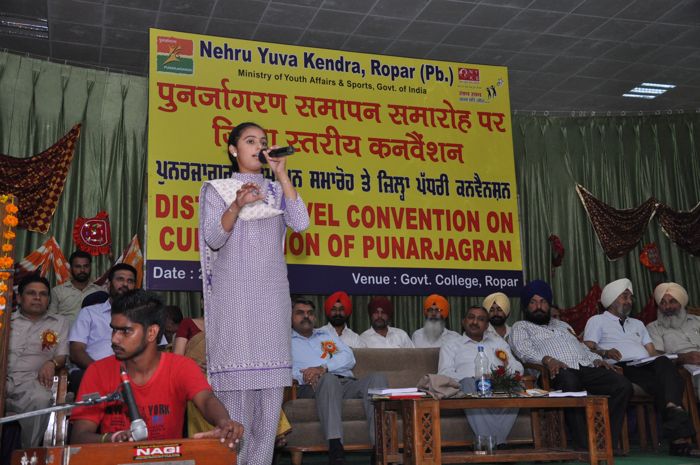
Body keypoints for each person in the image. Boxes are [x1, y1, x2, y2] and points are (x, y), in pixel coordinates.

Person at [198, 121, 309, 465]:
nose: (259, 147)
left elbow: (301, 223)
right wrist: (237, 205)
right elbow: (214, 238)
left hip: (271, 302)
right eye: (250, 141)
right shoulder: (217, 190)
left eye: (263, 141)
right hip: (234, 302)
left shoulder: (276, 191)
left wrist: (282, 175)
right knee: (236, 410)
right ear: (233, 150)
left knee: (268, 409)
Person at [69, 290, 243, 449]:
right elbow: (79, 436)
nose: (114, 339)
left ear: (152, 332)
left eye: (125, 331)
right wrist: (112, 438)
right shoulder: (97, 371)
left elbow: (206, 399)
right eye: (114, 330)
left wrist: (224, 422)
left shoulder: (181, 367)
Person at [509, 280, 632, 450]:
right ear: (526, 306)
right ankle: (585, 444)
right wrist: (548, 360)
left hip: (584, 367)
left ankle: (604, 439)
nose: (539, 306)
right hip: (554, 372)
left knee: (622, 385)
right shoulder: (521, 327)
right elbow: (523, 351)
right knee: (570, 382)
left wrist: (596, 359)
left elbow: (580, 346)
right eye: (533, 302)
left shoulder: (563, 325)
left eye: (543, 302)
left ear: (548, 304)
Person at [584, 278, 696, 456]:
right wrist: (605, 352)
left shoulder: (637, 324)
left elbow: (652, 352)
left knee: (664, 364)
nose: (629, 301)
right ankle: (678, 439)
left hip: (644, 365)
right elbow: (587, 348)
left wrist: (669, 360)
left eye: (631, 298)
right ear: (611, 300)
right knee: (665, 384)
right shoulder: (597, 320)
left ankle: (671, 406)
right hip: (620, 367)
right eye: (624, 297)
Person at [291, 298, 387, 465]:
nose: (306, 316)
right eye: (300, 313)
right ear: (291, 317)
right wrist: (305, 376)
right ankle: (336, 449)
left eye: (310, 313)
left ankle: (380, 449)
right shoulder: (285, 341)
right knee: (328, 380)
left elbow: (349, 357)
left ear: (315, 317)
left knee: (377, 378)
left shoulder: (325, 335)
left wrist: (323, 368)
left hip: (345, 382)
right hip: (311, 386)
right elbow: (282, 369)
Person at [438, 305, 522, 447]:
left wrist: (500, 376)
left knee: (517, 386)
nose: (475, 322)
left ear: (487, 325)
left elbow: (518, 368)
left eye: (481, 319)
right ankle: (498, 443)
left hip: (497, 386)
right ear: (463, 321)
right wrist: (472, 378)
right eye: (471, 317)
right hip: (470, 387)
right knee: (468, 383)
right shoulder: (451, 344)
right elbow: (444, 372)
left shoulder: (498, 343)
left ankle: (489, 443)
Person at [6, 275, 69, 448]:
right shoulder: (5, 319)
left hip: (32, 381)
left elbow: (62, 356)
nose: (37, 298)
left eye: (43, 294)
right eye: (31, 293)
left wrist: (52, 363)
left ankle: (29, 453)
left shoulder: (59, 322)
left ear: (48, 300)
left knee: (41, 399)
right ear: (19, 298)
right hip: (4, 378)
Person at [69, 264, 137, 375]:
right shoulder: (89, 313)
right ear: (109, 284)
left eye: (130, 281)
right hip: (95, 373)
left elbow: (158, 349)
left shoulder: (143, 315)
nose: (125, 284)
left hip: (133, 375)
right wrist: (100, 372)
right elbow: (76, 351)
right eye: (120, 279)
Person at [647, 282, 700, 396]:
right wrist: (683, 358)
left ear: (681, 303)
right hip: (686, 369)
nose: (667, 307)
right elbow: (657, 358)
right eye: (662, 303)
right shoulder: (654, 328)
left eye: (672, 301)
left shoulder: (697, 321)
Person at [49, 251, 104, 324]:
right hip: (64, 331)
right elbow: (50, 318)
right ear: (70, 268)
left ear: (90, 268)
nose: (82, 270)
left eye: (86, 266)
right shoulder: (58, 291)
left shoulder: (99, 292)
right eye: (78, 266)